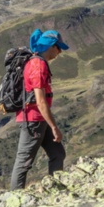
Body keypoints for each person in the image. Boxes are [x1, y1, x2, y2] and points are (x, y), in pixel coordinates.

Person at [10, 29, 69, 190]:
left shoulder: (36, 63)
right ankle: (14, 199)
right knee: (23, 162)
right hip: (33, 119)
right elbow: (40, 101)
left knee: (58, 154)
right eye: (59, 47)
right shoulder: (38, 65)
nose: (60, 52)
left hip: (38, 119)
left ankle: (56, 189)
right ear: (51, 46)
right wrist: (54, 127)